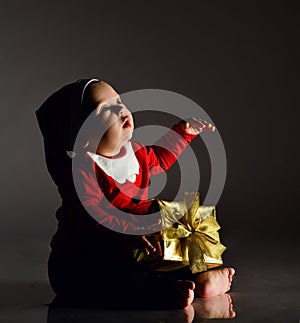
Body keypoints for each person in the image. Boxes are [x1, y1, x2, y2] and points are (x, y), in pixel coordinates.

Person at [36, 79, 235, 309]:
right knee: (112, 280)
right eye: (106, 109)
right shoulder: (82, 171)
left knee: (173, 246)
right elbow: (89, 218)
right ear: (82, 135)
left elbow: (160, 158)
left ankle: (202, 276)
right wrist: (125, 233)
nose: (120, 110)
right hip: (86, 255)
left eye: (119, 101)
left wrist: (183, 133)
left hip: (134, 243)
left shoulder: (135, 152)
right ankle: (160, 292)